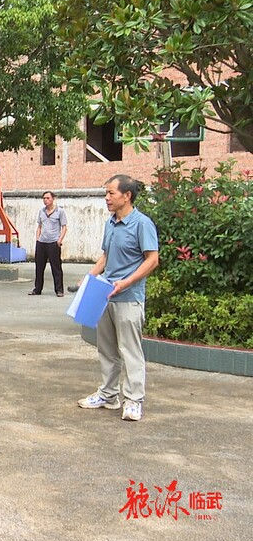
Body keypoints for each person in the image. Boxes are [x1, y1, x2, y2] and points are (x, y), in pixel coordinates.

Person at [77, 174, 159, 422]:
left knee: (130, 350)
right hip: (105, 295)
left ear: (127, 195)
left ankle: (133, 400)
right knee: (107, 349)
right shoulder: (110, 223)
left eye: (111, 193)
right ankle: (108, 395)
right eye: (106, 193)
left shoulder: (142, 224)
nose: (107, 198)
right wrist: (89, 278)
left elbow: (152, 260)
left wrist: (126, 282)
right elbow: (105, 256)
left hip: (128, 297)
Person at [29, 191, 68, 297]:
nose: (45, 200)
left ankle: (59, 290)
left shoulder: (60, 211)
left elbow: (64, 227)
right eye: (44, 198)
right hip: (42, 243)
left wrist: (59, 240)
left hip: (53, 243)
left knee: (56, 267)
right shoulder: (41, 212)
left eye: (48, 198)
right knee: (39, 267)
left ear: (53, 199)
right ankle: (37, 289)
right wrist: (37, 239)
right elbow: (39, 226)